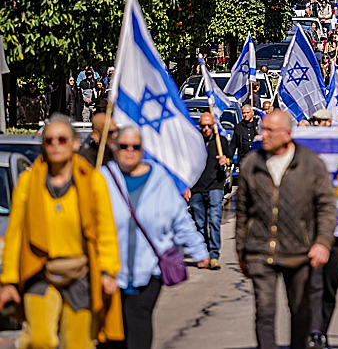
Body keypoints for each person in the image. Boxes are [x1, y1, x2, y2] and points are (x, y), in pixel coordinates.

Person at [0, 115, 123, 347]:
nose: (56, 145)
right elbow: (15, 232)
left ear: (75, 143)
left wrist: (108, 271)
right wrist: (9, 280)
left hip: (80, 273)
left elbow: (106, 230)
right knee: (40, 339)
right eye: (49, 141)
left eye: (62, 139)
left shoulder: (92, 180)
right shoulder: (29, 181)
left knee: (77, 343)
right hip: (41, 271)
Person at [235, 110, 337, 349]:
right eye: (263, 129)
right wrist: (241, 251)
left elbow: (326, 207)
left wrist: (322, 242)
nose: (264, 135)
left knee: (300, 312)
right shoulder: (252, 164)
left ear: (287, 134)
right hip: (260, 250)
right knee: (265, 310)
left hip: (299, 252)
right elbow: (242, 212)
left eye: (270, 130)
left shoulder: (311, 164)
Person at [101, 127, 209, 349]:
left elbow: (180, 218)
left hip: (149, 269)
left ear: (142, 150)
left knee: (138, 318)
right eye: (124, 146)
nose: (129, 151)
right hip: (109, 270)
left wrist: (199, 250)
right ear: (115, 148)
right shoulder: (103, 178)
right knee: (111, 332)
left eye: (135, 147)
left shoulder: (159, 179)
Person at [187, 112, 230, 270]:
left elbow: (230, 157)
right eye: (203, 126)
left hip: (215, 185)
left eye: (208, 125)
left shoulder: (220, 141)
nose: (206, 128)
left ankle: (213, 255)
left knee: (214, 220)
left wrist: (226, 160)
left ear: (213, 126)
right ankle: (203, 253)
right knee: (199, 223)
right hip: (196, 187)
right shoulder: (193, 142)